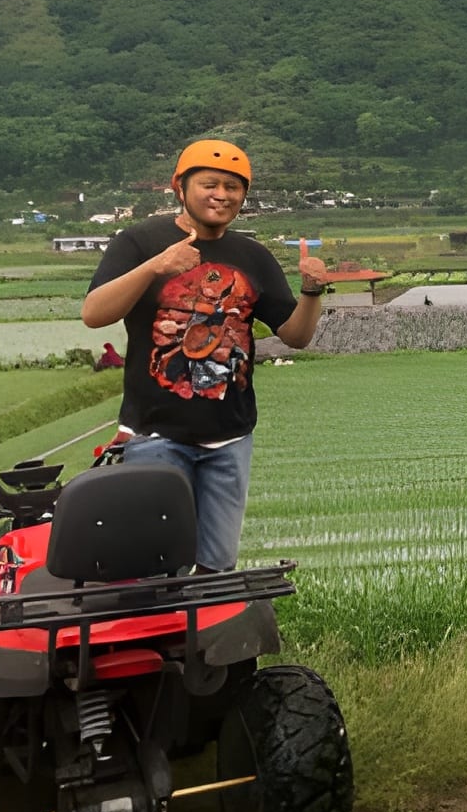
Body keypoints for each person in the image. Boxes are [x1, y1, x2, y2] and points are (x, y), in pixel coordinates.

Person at [82, 140, 330, 572]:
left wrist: (312, 291)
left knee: (218, 567)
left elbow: (295, 336)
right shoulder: (139, 242)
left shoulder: (252, 256)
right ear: (180, 187)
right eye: (209, 184)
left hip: (229, 439)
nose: (221, 195)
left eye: (233, 187)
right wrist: (156, 267)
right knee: (157, 567)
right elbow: (94, 314)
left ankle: (207, 638)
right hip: (155, 437)